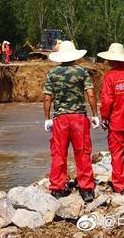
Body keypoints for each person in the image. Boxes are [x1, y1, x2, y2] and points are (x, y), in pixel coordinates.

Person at [43, 41, 99, 202]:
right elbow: (91, 94)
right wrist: (95, 114)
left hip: (60, 118)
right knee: (82, 153)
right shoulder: (81, 71)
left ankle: (57, 187)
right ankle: (86, 188)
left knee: (59, 153)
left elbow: (47, 98)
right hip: (79, 118)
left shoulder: (52, 73)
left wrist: (47, 118)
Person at [97, 43, 124, 194]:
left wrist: (104, 118)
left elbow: (107, 100)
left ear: (112, 60)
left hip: (116, 121)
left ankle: (119, 186)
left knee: (117, 153)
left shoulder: (110, 76)